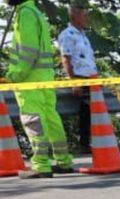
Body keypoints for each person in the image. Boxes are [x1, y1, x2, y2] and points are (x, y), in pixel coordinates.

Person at [5, 0, 73, 178]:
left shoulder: (26, 13)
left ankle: (41, 165)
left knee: (32, 119)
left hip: (29, 77)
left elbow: (28, 50)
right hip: (44, 75)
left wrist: (15, 75)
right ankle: (64, 160)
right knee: (50, 118)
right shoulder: (36, 12)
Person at [57, 0, 98, 156]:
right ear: (74, 16)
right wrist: (74, 81)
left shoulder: (84, 35)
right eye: (84, 15)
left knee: (93, 112)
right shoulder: (67, 35)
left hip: (91, 78)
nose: (87, 18)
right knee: (85, 112)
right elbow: (66, 59)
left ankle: (94, 141)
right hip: (80, 77)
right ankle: (84, 143)